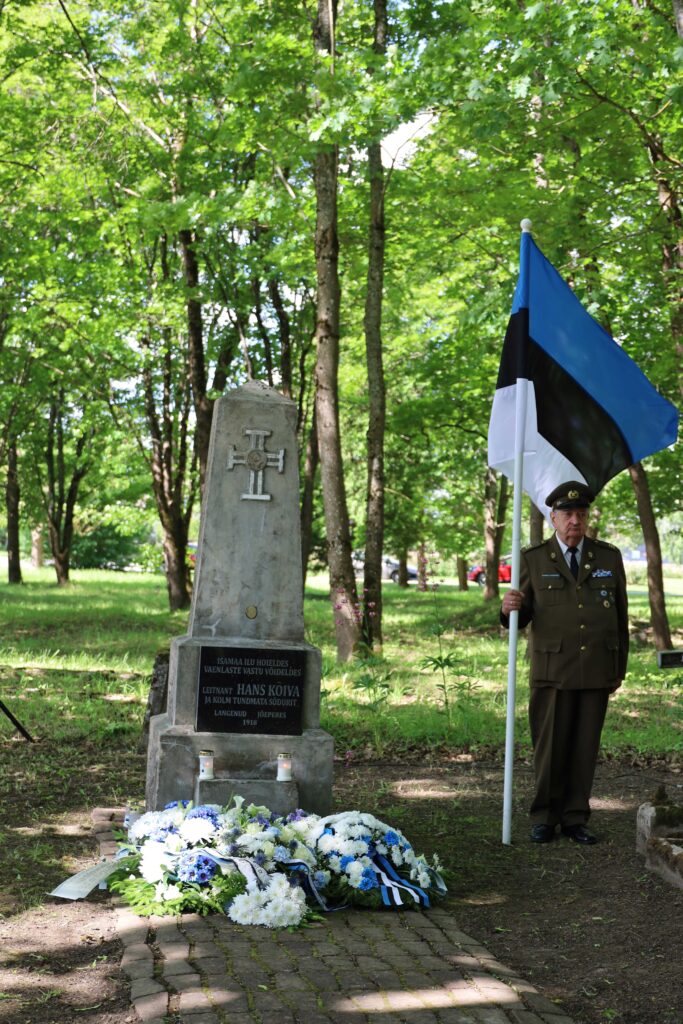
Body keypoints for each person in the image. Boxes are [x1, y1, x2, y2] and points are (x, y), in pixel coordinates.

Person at [501, 482, 628, 845]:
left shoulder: (607, 557)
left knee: (584, 746)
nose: (575, 521)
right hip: (552, 670)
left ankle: (575, 817)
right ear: (553, 518)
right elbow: (521, 617)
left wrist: (618, 668)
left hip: (596, 667)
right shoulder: (533, 559)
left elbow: (620, 617)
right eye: (568, 514)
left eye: (581, 514)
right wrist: (507, 608)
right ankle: (544, 816)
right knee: (550, 747)